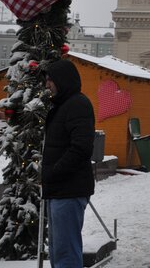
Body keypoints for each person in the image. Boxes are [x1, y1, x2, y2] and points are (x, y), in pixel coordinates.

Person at [42, 59, 95, 268]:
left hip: (68, 190)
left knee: (66, 252)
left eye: (50, 80)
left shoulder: (77, 104)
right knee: (57, 250)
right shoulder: (63, 105)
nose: (47, 85)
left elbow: (81, 147)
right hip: (59, 190)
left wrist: (54, 172)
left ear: (62, 80)